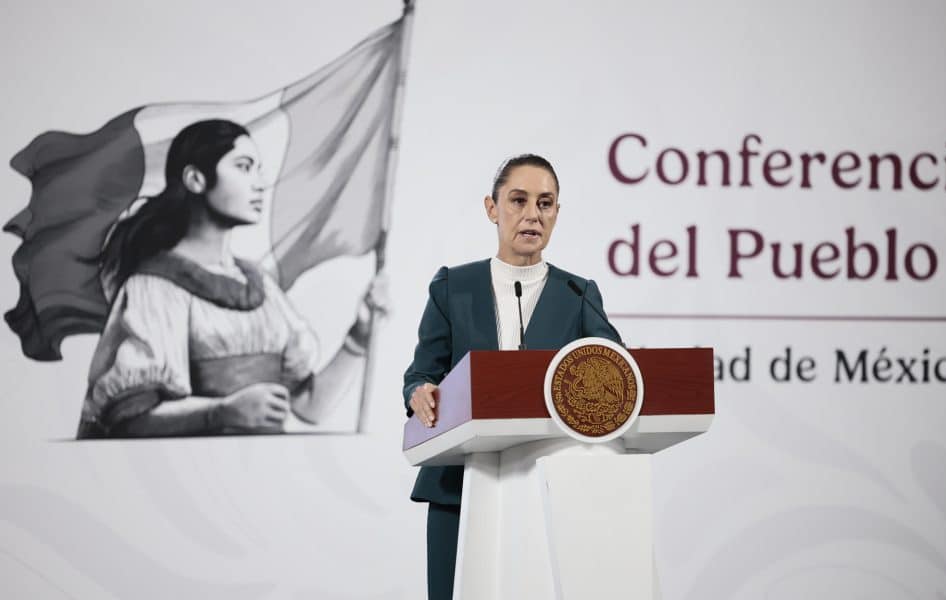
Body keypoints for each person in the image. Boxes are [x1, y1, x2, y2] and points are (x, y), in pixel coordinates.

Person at [402, 154, 622, 599]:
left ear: (556, 213)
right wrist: (419, 391)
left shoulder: (577, 294)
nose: (532, 215)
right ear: (492, 208)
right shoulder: (453, 287)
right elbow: (423, 373)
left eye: (545, 203)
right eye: (518, 200)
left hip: (548, 487)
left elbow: (615, 373)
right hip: (459, 486)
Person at [77, 119, 379, 438]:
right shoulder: (154, 287)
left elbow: (309, 406)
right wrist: (221, 411)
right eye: (244, 167)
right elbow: (130, 420)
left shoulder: (260, 285)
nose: (260, 184)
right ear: (195, 179)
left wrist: (359, 337)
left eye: (258, 169)